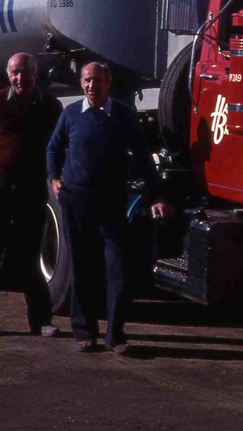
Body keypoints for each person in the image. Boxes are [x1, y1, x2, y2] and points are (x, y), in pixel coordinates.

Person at [46, 61, 170, 356]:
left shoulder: (124, 116)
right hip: (76, 201)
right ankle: (85, 332)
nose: (91, 86)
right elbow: (53, 147)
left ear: (108, 82)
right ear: (82, 82)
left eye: (97, 81)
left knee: (117, 270)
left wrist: (156, 196)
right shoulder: (71, 114)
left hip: (112, 204)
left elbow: (143, 158)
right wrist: (54, 178)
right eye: (87, 80)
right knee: (82, 268)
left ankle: (116, 335)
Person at [0, 52, 64, 338]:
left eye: (25, 72)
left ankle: (41, 321)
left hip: (32, 189)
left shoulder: (49, 105)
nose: (20, 77)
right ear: (9, 76)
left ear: (36, 74)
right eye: (15, 73)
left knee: (30, 258)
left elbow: (57, 143)